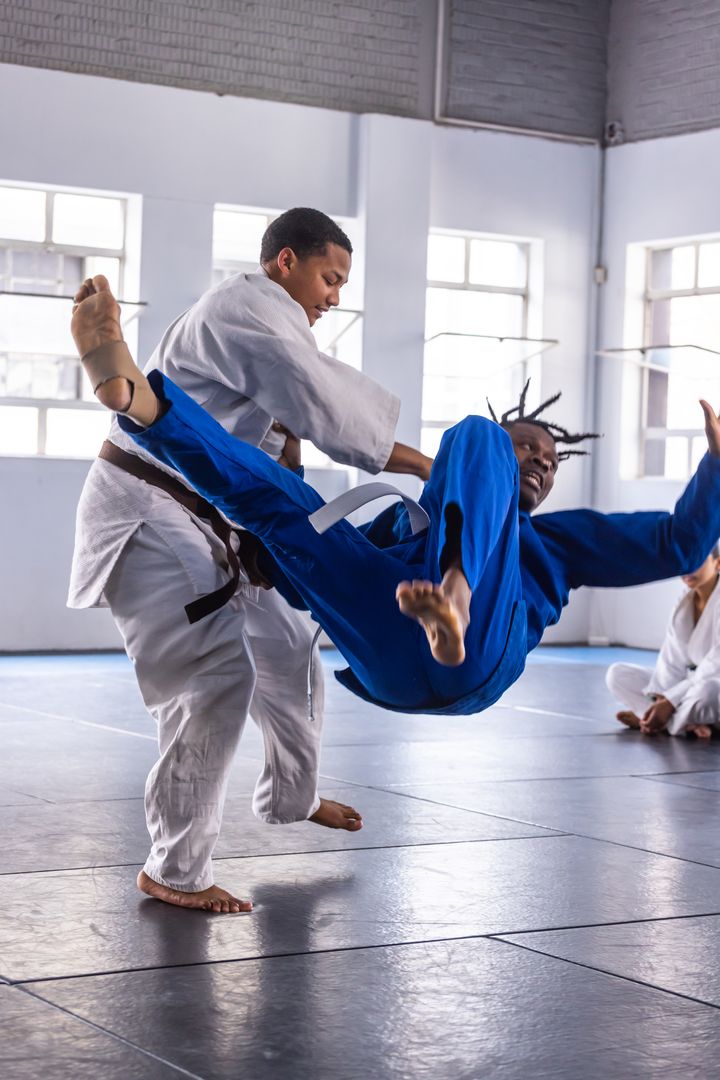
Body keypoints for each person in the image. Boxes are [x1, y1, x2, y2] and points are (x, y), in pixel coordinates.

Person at [71, 276, 720, 732]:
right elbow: (314, 583)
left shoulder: (557, 543)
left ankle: (457, 600)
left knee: (468, 438)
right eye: (527, 449)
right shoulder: (408, 517)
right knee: (291, 505)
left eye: (550, 464)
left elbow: (681, 545)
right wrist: (286, 535)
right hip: (390, 639)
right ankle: (138, 399)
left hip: (477, 653)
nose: (540, 463)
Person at [68, 211, 432, 915]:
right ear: (284, 262)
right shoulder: (245, 308)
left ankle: (293, 796)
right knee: (214, 680)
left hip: (213, 519)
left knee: (292, 646)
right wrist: (428, 464)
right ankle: (173, 871)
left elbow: (294, 421)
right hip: (149, 508)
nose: (334, 296)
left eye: (341, 285)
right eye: (330, 278)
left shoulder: (272, 325)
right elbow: (322, 402)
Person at [606, 548, 720, 738]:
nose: (688, 567)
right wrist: (662, 695)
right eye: (684, 559)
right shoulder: (684, 601)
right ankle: (676, 722)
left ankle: (654, 719)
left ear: (717, 563)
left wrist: (670, 700)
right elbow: (671, 658)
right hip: (690, 686)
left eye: (697, 559)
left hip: (712, 686)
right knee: (618, 675)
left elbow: (715, 667)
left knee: (708, 692)